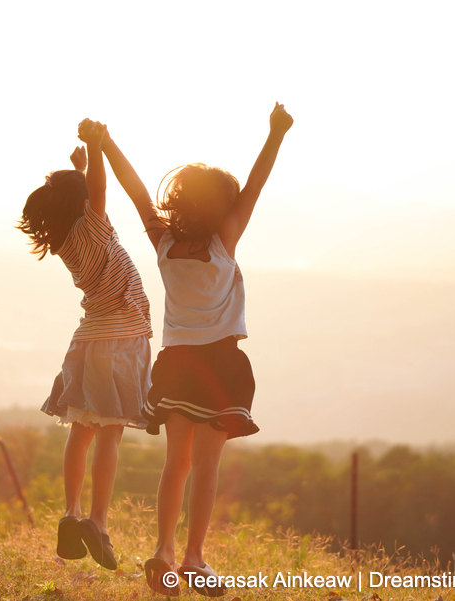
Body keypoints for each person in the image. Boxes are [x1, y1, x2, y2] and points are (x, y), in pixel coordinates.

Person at [95, 104, 294, 596]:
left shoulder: (163, 241)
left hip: (177, 362)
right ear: (222, 206)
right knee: (207, 465)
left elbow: (136, 190)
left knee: (175, 463)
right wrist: (275, 134)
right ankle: (194, 559)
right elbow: (256, 184)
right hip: (220, 362)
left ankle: (163, 552)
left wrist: (106, 144)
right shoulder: (225, 241)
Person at [17, 121, 153, 571]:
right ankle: (97, 521)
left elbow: (90, 191)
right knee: (110, 433)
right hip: (120, 340)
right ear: (83, 204)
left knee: (81, 430)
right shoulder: (93, 227)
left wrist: (82, 163)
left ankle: (72, 511)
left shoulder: (71, 239)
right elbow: (98, 187)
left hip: (87, 341)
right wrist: (95, 148)